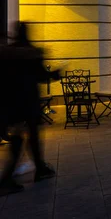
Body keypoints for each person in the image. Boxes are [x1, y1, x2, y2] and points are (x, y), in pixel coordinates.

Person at [0, 22, 60, 196]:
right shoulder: (32, 53)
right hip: (28, 103)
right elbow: (42, 76)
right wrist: (54, 74)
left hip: (11, 104)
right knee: (30, 136)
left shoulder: (7, 53)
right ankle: (7, 180)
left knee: (26, 136)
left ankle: (39, 168)